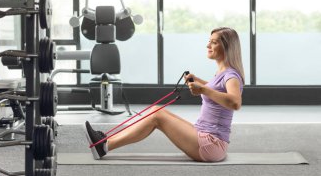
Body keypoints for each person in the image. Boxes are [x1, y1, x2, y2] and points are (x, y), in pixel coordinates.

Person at [84, 27, 245, 162]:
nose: (208, 45)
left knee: (157, 116)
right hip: (204, 134)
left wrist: (203, 89)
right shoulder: (222, 73)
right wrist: (199, 82)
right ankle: (105, 141)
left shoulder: (231, 76)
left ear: (227, 47)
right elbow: (216, 90)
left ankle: (104, 146)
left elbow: (235, 102)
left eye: (214, 42)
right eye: (209, 41)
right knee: (156, 109)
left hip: (212, 144)